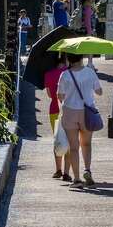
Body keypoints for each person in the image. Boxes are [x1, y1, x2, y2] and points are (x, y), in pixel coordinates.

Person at [57, 53, 103, 188]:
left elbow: (60, 95)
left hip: (70, 111)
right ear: (81, 58)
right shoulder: (90, 72)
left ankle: (76, 179)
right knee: (86, 144)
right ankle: (87, 170)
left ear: (68, 59)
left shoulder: (65, 75)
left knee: (74, 147)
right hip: (86, 112)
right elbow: (99, 92)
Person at [44, 56, 69, 180]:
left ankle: (58, 169)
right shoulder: (69, 74)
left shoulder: (48, 74)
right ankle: (67, 172)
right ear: (65, 62)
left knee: (58, 137)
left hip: (54, 109)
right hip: (69, 110)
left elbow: (49, 95)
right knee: (70, 139)